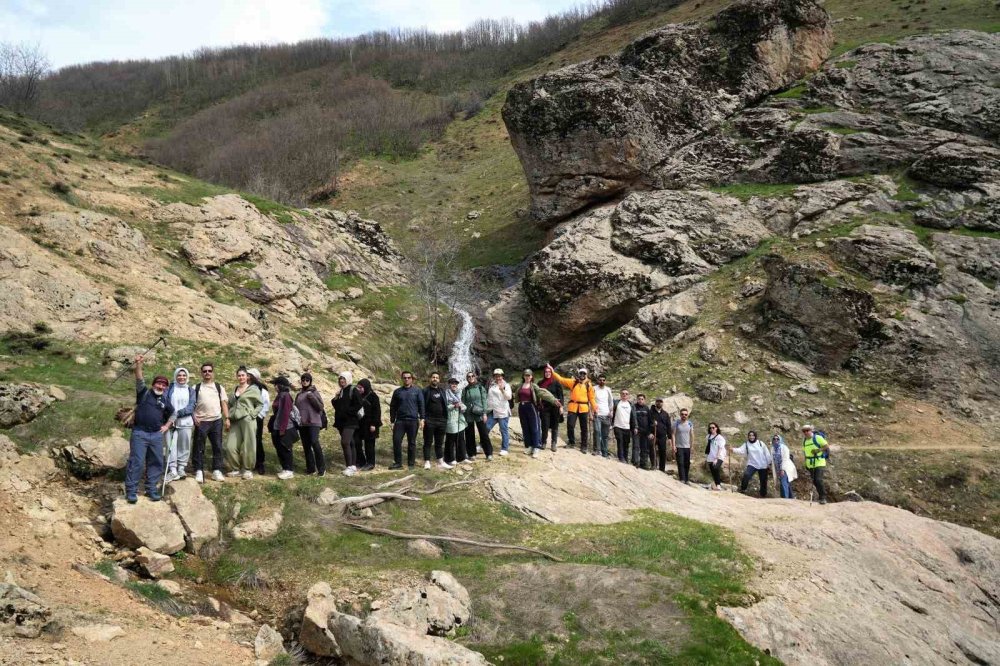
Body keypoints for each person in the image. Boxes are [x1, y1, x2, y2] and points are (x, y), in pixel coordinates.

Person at [125, 355, 173, 503]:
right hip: (140, 433)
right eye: (158, 384)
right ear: (153, 384)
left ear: (166, 388)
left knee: (157, 462)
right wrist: (138, 364)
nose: (161, 386)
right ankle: (131, 491)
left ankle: (151, 489)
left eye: (164, 385)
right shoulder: (144, 393)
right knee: (137, 462)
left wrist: (166, 426)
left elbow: (173, 413)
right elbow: (139, 378)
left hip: (156, 435)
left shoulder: (165, 400)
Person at [192, 362, 229, 484]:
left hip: (216, 420)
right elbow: (190, 404)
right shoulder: (195, 388)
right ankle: (198, 470)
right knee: (199, 446)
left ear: (213, 372)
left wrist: (227, 418)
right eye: (204, 371)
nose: (207, 373)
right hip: (201, 421)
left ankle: (217, 470)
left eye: (209, 371)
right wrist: (193, 416)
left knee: (217, 446)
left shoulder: (219, 387)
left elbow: (223, 403)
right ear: (201, 373)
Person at [546, 365, 596, 453]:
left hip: (584, 408)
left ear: (586, 375)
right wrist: (552, 371)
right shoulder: (573, 382)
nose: (582, 375)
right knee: (570, 425)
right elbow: (561, 379)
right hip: (573, 407)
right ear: (578, 374)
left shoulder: (589, 385)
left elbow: (591, 398)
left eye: (584, 373)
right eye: (581, 373)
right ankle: (571, 442)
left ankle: (584, 446)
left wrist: (595, 409)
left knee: (584, 428)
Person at [225, 366, 263, 480]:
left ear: (247, 377)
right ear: (237, 377)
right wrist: (228, 417)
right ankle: (235, 469)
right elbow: (230, 404)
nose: (241, 377)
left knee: (249, 444)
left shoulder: (253, 389)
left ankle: (247, 469)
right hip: (235, 421)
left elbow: (260, 404)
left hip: (248, 420)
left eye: (243, 375)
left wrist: (252, 415)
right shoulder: (234, 390)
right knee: (230, 446)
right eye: (239, 375)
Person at [514, 369, 560, 458]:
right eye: (525, 375)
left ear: (531, 377)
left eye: (529, 375)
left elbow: (543, 393)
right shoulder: (520, 386)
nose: (527, 377)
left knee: (535, 427)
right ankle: (529, 446)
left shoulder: (534, 386)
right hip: (522, 407)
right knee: (525, 427)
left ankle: (536, 447)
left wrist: (553, 400)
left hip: (531, 407)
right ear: (523, 376)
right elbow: (509, 387)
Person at [163, 367, 195, 484]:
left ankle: (181, 468)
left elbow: (191, 407)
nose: (181, 377)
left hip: (185, 422)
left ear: (187, 377)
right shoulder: (170, 388)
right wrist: (171, 417)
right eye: (179, 375)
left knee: (184, 445)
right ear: (175, 376)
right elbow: (165, 402)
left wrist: (177, 414)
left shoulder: (191, 390)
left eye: (184, 375)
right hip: (170, 423)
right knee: (171, 446)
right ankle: (172, 469)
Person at [389, 370, 424, 469]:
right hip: (400, 420)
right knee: (396, 441)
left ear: (412, 379)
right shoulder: (397, 392)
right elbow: (393, 407)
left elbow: (421, 405)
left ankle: (411, 464)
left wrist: (422, 418)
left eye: (409, 377)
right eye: (405, 377)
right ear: (402, 379)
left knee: (412, 442)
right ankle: (398, 463)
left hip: (413, 420)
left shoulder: (417, 391)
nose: (407, 379)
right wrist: (392, 421)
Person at [295, 372, 326, 476]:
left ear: (310, 381)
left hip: (313, 422)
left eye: (307, 380)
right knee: (306, 446)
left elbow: (320, 407)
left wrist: (311, 397)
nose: (304, 382)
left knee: (314, 442)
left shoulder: (314, 392)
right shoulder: (299, 394)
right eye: (303, 380)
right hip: (302, 423)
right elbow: (296, 408)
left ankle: (322, 469)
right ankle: (310, 469)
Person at [332, 371, 362, 477]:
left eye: (343, 378)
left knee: (345, 442)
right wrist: (335, 398)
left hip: (350, 421)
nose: (341, 380)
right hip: (341, 422)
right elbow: (337, 406)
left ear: (348, 379)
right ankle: (353, 465)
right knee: (351, 443)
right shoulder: (341, 391)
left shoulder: (353, 390)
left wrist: (348, 412)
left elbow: (359, 403)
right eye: (340, 379)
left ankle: (349, 466)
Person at [267, 376, 297, 480]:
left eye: (275, 384)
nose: (274, 387)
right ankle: (285, 468)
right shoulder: (280, 395)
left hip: (285, 427)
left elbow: (285, 413)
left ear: (280, 385)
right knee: (279, 447)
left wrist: (282, 429)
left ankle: (289, 470)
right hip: (278, 426)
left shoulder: (285, 396)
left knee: (285, 448)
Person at [422, 372, 451, 470]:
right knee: (428, 442)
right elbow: (422, 405)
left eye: (437, 377)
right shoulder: (425, 391)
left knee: (439, 442)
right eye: (433, 377)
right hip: (429, 420)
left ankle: (440, 461)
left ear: (439, 380)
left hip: (442, 420)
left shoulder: (442, 390)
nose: (435, 379)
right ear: (430, 379)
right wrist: (422, 418)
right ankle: (427, 461)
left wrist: (445, 418)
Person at [462, 371, 492, 461]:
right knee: (469, 434)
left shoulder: (480, 387)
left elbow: (484, 401)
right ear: (467, 378)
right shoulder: (465, 389)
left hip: (479, 413)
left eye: (472, 376)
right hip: (468, 414)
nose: (471, 377)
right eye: (469, 376)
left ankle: (489, 453)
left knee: (483, 433)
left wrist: (485, 413)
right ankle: (471, 453)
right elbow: (462, 402)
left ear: (475, 377)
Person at [732, 431, 771, 497]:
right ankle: (743, 489)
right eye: (750, 435)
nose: (751, 437)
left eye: (753, 435)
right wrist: (732, 449)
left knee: (763, 481)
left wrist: (769, 463)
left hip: (763, 464)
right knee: (746, 475)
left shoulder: (760, 443)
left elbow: (767, 453)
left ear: (755, 436)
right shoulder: (746, 444)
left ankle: (763, 495)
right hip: (752, 464)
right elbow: (740, 450)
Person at [355, 378, 381, 471]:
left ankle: (370, 463)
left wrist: (374, 424)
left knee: (369, 445)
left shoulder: (373, 397)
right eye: (358, 387)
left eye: (361, 387)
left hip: (370, 424)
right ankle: (361, 460)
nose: (359, 389)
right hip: (359, 424)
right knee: (356, 442)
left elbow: (377, 412)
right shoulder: (357, 396)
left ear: (366, 387)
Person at [486, 369, 513, 456]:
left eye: (499, 375)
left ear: (502, 376)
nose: (498, 377)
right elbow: (489, 398)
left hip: (503, 412)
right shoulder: (492, 385)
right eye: (496, 376)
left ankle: (504, 449)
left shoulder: (506, 385)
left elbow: (509, 397)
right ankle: (482, 445)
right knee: (486, 428)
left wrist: (502, 390)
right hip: (492, 411)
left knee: (503, 430)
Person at [537, 366, 564, 452]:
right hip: (544, 407)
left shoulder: (556, 383)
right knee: (545, 425)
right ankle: (543, 442)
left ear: (551, 373)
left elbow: (561, 396)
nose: (547, 373)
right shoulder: (540, 383)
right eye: (546, 372)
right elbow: (538, 394)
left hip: (555, 407)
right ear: (544, 373)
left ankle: (553, 443)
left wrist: (561, 407)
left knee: (555, 426)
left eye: (549, 372)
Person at [444, 377, 470, 466]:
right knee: (450, 439)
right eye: (452, 383)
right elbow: (444, 407)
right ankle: (449, 458)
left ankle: (461, 457)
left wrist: (462, 406)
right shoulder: (446, 394)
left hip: (459, 419)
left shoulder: (459, 393)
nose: (454, 385)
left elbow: (463, 406)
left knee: (461, 439)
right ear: (449, 384)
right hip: (450, 418)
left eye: (455, 383)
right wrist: (454, 406)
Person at [801, 424, 830, 504]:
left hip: (819, 461)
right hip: (810, 464)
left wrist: (818, 450)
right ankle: (821, 497)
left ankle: (823, 497)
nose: (806, 432)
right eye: (804, 431)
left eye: (807, 430)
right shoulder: (804, 441)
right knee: (814, 481)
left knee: (818, 479)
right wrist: (806, 463)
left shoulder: (817, 438)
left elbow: (826, 446)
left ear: (811, 430)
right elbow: (805, 453)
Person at [249, 368, 270, 476]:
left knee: (257, 440)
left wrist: (259, 416)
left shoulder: (262, 390)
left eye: (250, 375)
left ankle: (260, 462)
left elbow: (265, 405)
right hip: (246, 418)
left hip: (257, 418)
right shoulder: (246, 388)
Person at [612, 389, 637, 464]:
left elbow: (634, 416)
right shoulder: (616, 403)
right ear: (620, 395)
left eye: (626, 394)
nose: (624, 395)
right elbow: (611, 409)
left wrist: (635, 426)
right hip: (617, 425)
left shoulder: (631, 405)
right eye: (623, 394)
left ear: (628, 395)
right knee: (620, 442)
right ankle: (621, 457)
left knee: (626, 443)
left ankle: (625, 458)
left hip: (627, 427)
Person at [592, 374, 614, 458]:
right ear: (598, 380)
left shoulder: (608, 389)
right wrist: (592, 412)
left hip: (606, 414)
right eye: (600, 380)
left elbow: (611, 401)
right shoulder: (594, 388)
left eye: (603, 380)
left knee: (605, 435)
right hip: (597, 414)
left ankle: (604, 451)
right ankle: (597, 450)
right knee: (597, 431)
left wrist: (611, 411)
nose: (602, 381)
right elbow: (592, 400)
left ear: (605, 381)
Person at [649, 398, 672, 473]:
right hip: (653, 435)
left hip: (662, 436)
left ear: (662, 403)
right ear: (655, 403)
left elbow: (668, 425)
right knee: (652, 450)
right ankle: (653, 465)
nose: (659, 403)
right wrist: (650, 432)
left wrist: (669, 437)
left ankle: (662, 469)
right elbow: (647, 423)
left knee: (662, 452)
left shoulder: (665, 414)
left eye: (660, 402)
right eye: (657, 402)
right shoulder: (651, 412)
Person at [771, 434, 797, 499]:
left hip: (785, 468)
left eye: (777, 439)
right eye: (774, 439)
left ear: (780, 440)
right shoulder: (772, 448)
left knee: (783, 482)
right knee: (786, 483)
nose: (776, 440)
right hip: (778, 468)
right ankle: (791, 498)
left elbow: (785, 459)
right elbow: (772, 459)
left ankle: (785, 498)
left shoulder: (784, 447)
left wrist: (782, 469)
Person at [671, 407, 693, 482]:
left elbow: (692, 435)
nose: (684, 416)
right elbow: (673, 434)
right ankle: (682, 479)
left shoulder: (690, 423)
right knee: (680, 463)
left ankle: (686, 479)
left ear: (687, 415)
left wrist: (692, 446)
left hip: (687, 446)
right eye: (682, 414)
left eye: (685, 414)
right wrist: (673, 446)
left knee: (687, 463)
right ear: (680, 415)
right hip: (679, 446)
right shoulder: (676, 423)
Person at [705, 422, 727, 491]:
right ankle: (717, 483)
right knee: (712, 471)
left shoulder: (720, 438)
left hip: (719, 456)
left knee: (715, 468)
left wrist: (716, 458)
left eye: (713, 427)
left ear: (716, 428)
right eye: (710, 428)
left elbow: (720, 448)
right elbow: (709, 446)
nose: (712, 429)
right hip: (711, 456)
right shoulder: (708, 436)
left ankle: (718, 485)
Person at [633, 394, 651, 468]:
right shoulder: (634, 407)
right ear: (637, 399)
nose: (640, 400)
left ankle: (644, 464)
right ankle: (636, 462)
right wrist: (634, 427)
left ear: (644, 400)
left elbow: (650, 420)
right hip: (637, 431)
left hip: (645, 431)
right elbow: (632, 419)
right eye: (639, 399)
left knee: (645, 448)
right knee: (636, 447)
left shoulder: (647, 408)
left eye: (642, 399)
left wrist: (650, 432)